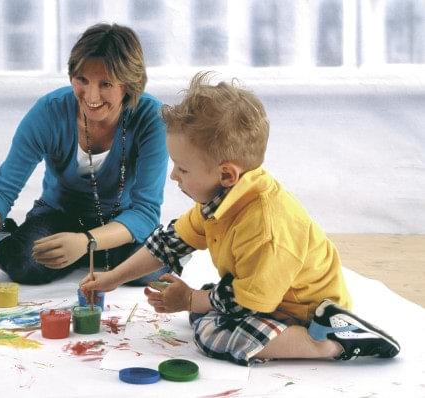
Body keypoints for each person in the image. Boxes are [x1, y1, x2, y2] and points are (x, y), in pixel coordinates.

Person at [80, 72, 400, 366]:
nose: (174, 175)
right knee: (203, 311)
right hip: (262, 292)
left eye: (183, 168)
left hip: (301, 310)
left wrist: (192, 299)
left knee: (214, 337)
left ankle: (331, 342)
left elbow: (248, 304)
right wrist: (113, 278)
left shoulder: (265, 227)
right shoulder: (221, 199)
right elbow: (169, 243)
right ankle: (218, 306)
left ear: (226, 174)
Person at [0, 23, 169, 285]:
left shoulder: (151, 119)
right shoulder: (49, 112)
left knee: (148, 271)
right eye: (82, 80)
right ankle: (15, 237)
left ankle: (81, 254)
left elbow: (145, 211)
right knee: (25, 264)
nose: (91, 95)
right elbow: (3, 187)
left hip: (120, 223)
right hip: (58, 216)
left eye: (106, 84)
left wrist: (86, 241)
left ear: (129, 85)